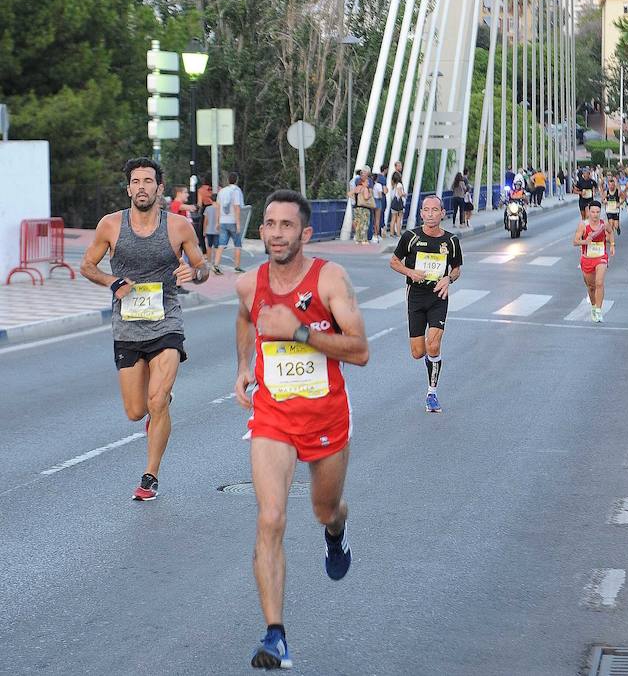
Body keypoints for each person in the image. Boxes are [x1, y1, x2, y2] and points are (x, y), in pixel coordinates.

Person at [234, 190, 369, 670]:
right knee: (270, 519)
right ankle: (275, 636)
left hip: (327, 416)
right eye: (269, 224)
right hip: (273, 416)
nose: (274, 233)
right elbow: (247, 319)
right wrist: (244, 366)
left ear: (305, 233)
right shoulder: (250, 283)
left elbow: (360, 350)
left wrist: (299, 332)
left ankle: (338, 530)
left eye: (285, 225)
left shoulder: (330, 279)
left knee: (323, 508)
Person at [80, 157, 208, 500]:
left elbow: (202, 265)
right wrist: (111, 281)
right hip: (128, 326)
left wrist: (195, 273)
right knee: (137, 411)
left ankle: (150, 476)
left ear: (160, 188)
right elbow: (87, 266)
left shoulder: (178, 226)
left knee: (157, 401)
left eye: (148, 181)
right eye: (136, 182)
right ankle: (157, 407)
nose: (141, 187)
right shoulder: (110, 225)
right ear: (128, 189)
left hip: (166, 320)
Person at [389, 195, 463, 414]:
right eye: (426, 210)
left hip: (438, 296)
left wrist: (448, 279)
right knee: (418, 352)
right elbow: (393, 261)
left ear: (442, 213)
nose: (430, 214)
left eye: (435, 210)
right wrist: (410, 272)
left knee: (434, 345)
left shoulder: (450, 241)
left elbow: (457, 268)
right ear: (421, 213)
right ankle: (430, 367)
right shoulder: (410, 237)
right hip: (416, 295)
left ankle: (432, 392)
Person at [573, 199, 614, 323]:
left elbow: (611, 232)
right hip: (587, 259)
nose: (595, 215)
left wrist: (612, 244)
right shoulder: (583, 225)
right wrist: (585, 241)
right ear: (588, 212)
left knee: (599, 282)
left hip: (601, 257)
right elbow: (575, 241)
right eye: (593, 212)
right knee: (591, 287)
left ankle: (599, 310)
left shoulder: (604, 224)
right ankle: (593, 306)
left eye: (597, 212)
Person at [215, 172, 245, 273]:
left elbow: (218, 207)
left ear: (228, 180)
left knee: (221, 244)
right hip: (232, 221)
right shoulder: (236, 191)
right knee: (238, 244)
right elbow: (237, 207)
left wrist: (218, 221)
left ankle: (216, 265)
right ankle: (237, 266)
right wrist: (238, 223)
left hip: (223, 221)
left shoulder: (222, 191)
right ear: (236, 180)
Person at [349, 166, 374, 244]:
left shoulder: (358, 187)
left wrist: (355, 199)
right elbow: (366, 197)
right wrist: (370, 194)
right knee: (365, 224)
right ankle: (364, 240)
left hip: (356, 206)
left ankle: (358, 239)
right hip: (364, 207)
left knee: (358, 224)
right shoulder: (365, 188)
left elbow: (349, 194)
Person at [371, 164, 388, 242]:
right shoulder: (379, 184)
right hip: (378, 202)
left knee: (373, 219)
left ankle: (371, 234)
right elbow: (382, 193)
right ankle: (377, 235)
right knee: (378, 219)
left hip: (372, 202)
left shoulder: (371, 185)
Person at [203, 193, 220, 265]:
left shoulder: (208, 208)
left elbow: (205, 221)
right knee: (216, 247)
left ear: (210, 199)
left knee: (209, 246)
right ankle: (216, 262)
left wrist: (204, 230)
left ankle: (209, 261)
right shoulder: (219, 208)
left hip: (209, 230)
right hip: (217, 231)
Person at [389, 171, 405, 237]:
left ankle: (391, 233)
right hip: (398, 203)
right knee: (398, 219)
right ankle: (398, 233)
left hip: (393, 203)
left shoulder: (393, 185)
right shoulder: (399, 185)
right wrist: (404, 194)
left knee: (393, 219)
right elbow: (400, 194)